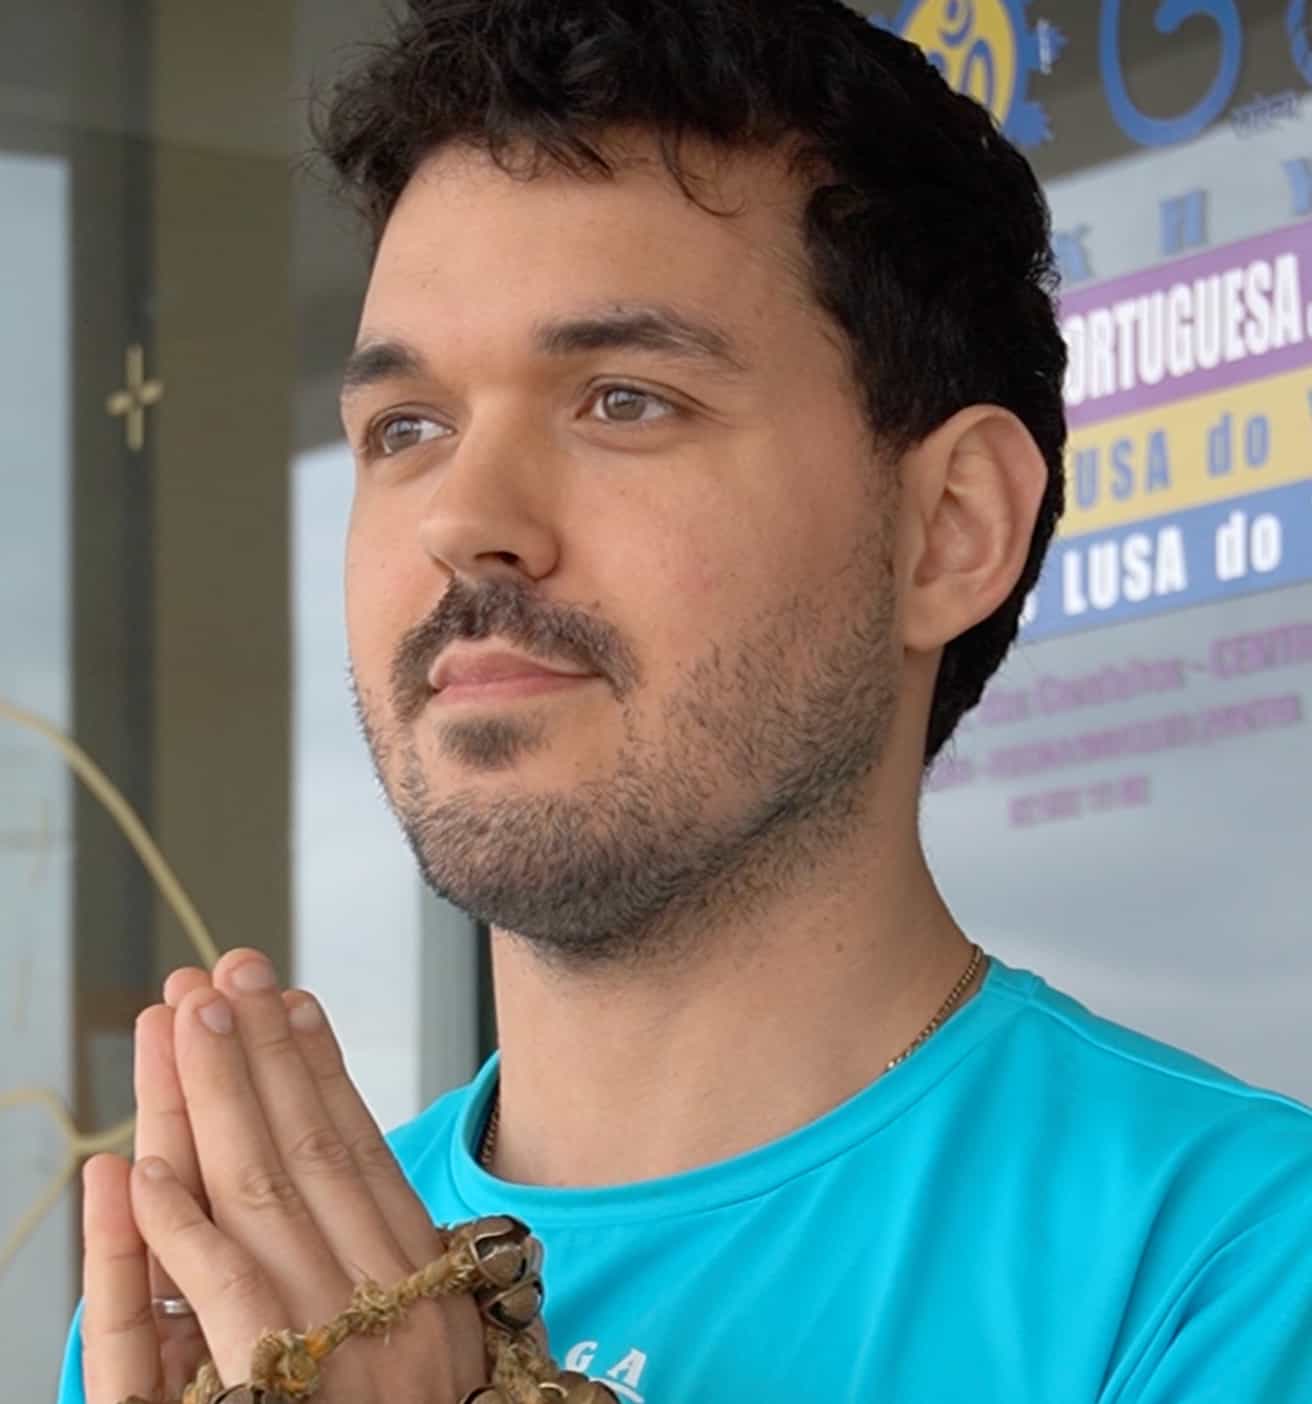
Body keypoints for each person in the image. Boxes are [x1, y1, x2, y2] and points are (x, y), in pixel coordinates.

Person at [62, 1, 1312, 1401]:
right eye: (407, 429)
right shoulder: (247, 1305)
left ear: (949, 528)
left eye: (624, 401)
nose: (464, 520)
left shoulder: (1239, 1267)